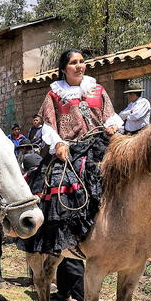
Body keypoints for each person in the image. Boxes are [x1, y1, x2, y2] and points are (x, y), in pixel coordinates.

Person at [18, 49, 123, 256]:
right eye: (74, 62)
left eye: (82, 62)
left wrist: (112, 126)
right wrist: (58, 144)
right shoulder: (54, 94)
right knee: (57, 184)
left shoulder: (98, 89)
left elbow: (110, 115)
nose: (79, 66)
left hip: (100, 145)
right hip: (70, 147)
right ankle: (66, 237)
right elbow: (47, 125)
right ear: (64, 69)